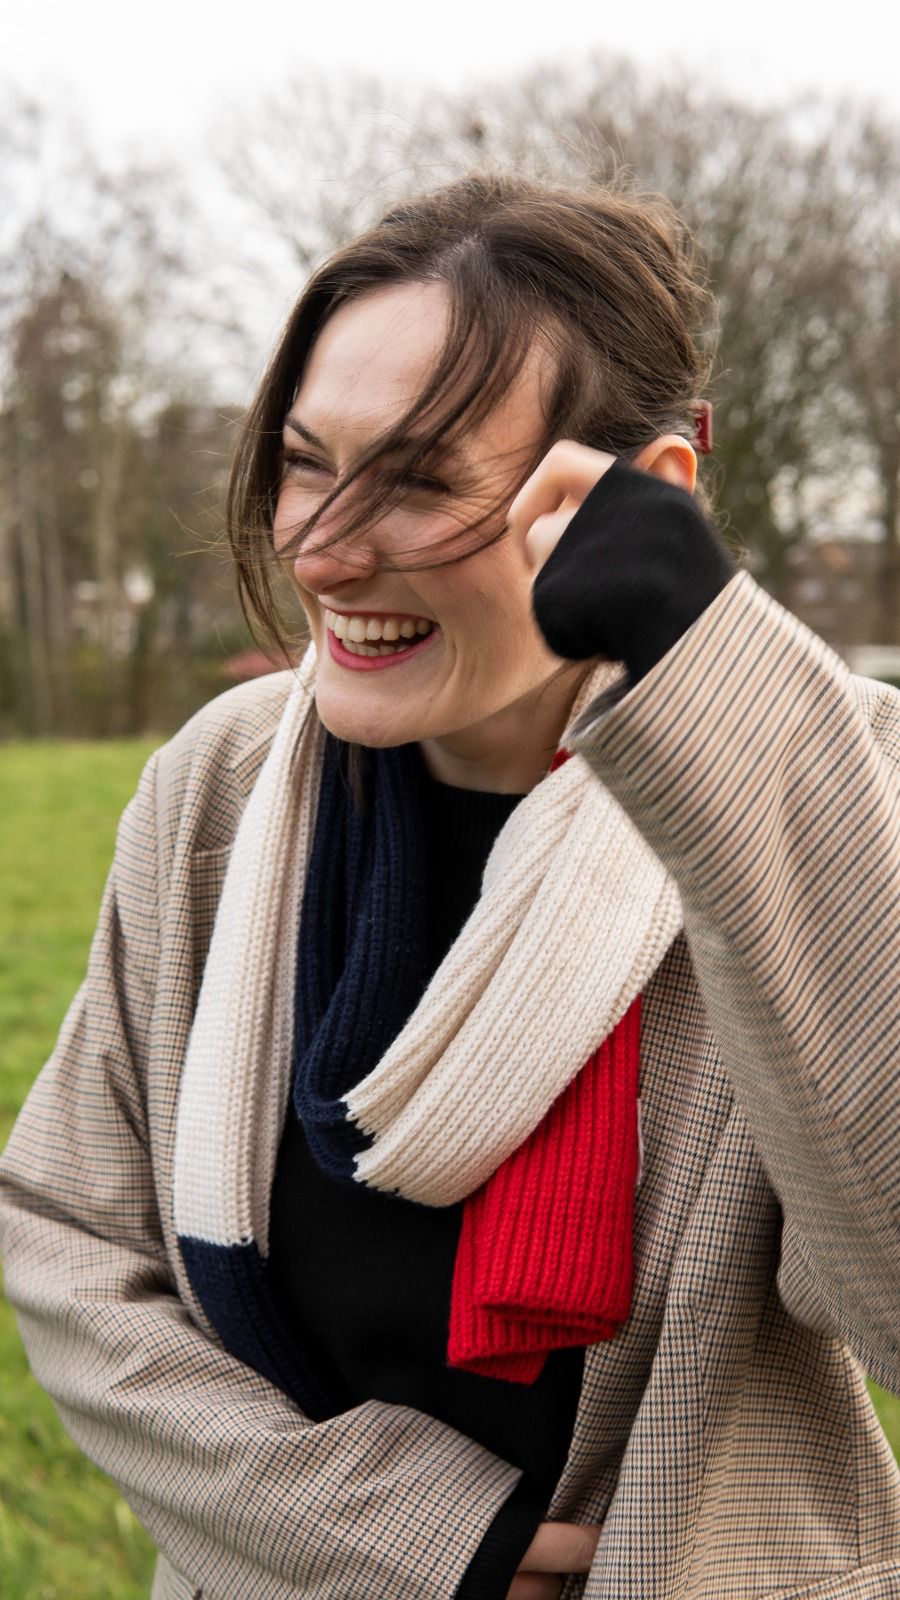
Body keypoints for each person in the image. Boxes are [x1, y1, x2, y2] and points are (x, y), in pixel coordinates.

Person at [1, 171, 899, 1600]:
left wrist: (720, 706)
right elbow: (69, 1235)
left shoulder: (826, 793)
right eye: (305, 463)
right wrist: (416, 1540)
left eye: (418, 479)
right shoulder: (219, 789)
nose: (323, 547)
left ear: (640, 493)